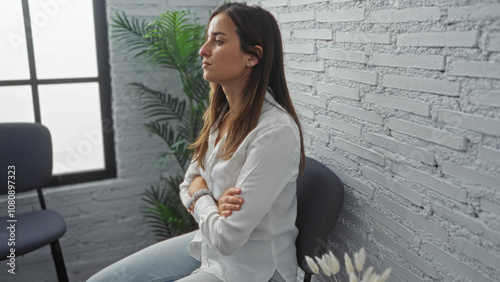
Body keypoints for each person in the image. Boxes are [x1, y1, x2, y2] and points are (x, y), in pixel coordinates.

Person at [87, 2, 305, 281]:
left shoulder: (275, 132)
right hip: (208, 248)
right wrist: (212, 200)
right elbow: (186, 183)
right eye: (207, 40)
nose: (203, 50)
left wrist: (202, 196)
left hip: (253, 270)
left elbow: (227, 237)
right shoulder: (221, 115)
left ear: (253, 56)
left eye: (218, 41)